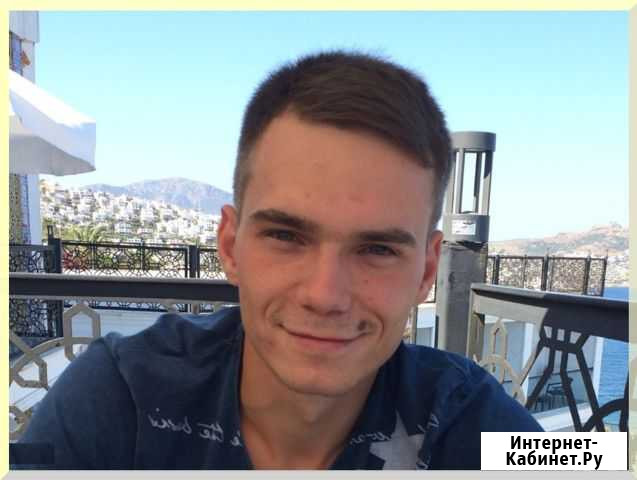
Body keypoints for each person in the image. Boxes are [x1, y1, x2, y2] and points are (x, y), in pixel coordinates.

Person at [17, 50, 542, 470]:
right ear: (230, 246)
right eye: (287, 236)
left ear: (426, 271)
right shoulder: (119, 394)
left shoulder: (465, 413)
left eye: (377, 249)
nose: (325, 295)